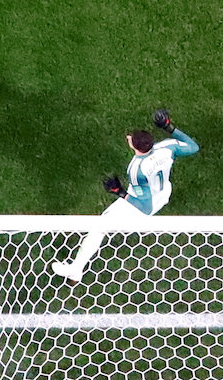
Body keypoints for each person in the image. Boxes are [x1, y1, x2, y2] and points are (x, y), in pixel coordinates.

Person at [51, 109, 200, 284]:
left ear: (134, 146)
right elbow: (193, 146)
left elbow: (144, 206)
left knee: (99, 227)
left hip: (144, 205)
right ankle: (76, 270)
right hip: (163, 192)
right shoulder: (167, 147)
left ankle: (75, 270)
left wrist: (120, 193)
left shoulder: (136, 169)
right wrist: (169, 127)